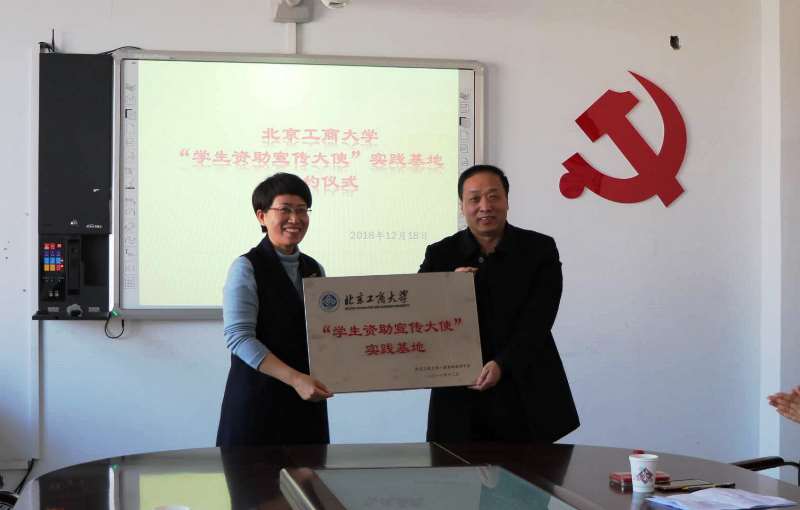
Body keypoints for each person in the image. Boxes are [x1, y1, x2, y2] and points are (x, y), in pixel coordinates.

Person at [419, 164, 579, 443]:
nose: (485, 206)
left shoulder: (539, 249)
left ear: (507, 201)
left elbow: (539, 319)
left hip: (525, 386)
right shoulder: (440, 254)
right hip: (459, 395)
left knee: (532, 469)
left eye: (494, 196)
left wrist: (503, 363)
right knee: (455, 468)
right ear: (461, 206)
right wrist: (447, 287)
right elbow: (417, 310)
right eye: (474, 198)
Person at [216, 172, 333, 447]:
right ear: (261, 216)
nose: (295, 218)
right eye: (285, 209)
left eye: (302, 210)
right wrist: (295, 379)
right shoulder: (246, 267)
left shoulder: (314, 269)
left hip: (307, 402)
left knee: (310, 474)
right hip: (258, 402)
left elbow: (324, 332)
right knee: (253, 475)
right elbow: (239, 338)